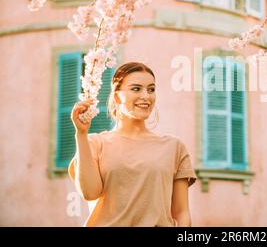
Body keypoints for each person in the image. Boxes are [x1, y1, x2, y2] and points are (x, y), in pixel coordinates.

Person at [68, 61, 197, 227]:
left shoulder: (174, 147)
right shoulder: (94, 143)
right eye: (136, 89)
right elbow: (90, 193)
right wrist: (81, 133)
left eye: (151, 89)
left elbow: (181, 212)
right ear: (116, 96)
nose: (146, 96)